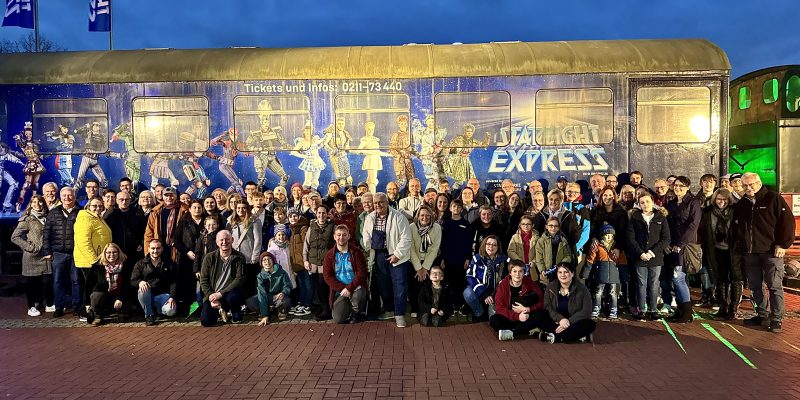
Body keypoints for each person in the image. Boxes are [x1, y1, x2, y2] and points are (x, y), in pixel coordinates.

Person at [732, 172, 795, 333]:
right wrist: (740, 246)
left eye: (751, 184)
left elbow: (788, 222)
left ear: (759, 183)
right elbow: (737, 227)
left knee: (774, 285)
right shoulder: (742, 204)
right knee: (755, 285)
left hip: (771, 251)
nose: (748, 188)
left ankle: (776, 318)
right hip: (750, 252)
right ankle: (762, 314)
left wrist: (782, 244)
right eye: (745, 185)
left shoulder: (773, 199)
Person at [361, 192, 413, 328]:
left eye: (381, 202)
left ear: (387, 202)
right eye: (375, 203)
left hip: (397, 256)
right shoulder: (370, 218)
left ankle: (399, 314)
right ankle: (390, 309)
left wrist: (397, 254)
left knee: (399, 286)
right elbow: (366, 235)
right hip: (379, 256)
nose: (378, 205)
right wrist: (368, 248)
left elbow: (406, 238)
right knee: (383, 286)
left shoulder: (399, 217)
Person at [700, 188, 743, 320]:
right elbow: (704, 232)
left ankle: (733, 308)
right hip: (716, 250)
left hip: (733, 251)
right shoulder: (708, 212)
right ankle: (722, 306)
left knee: (736, 278)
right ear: (715, 199)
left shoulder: (735, 212)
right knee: (720, 279)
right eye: (719, 199)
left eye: (725, 199)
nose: (722, 202)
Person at [627, 193, 670, 320]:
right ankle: (641, 309)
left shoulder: (661, 217)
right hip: (640, 257)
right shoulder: (634, 218)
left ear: (652, 202)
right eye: (642, 202)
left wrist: (652, 253)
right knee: (641, 283)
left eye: (647, 201)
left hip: (656, 257)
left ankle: (653, 309)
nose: (645, 204)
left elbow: (666, 238)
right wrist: (640, 253)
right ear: (639, 204)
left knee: (654, 283)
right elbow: (630, 238)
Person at [664, 176, 701, 322]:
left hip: (686, 246)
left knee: (678, 277)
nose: (678, 188)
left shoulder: (693, 203)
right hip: (672, 246)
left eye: (681, 186)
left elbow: (693, 225)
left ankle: (687, 312)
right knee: (679, 279)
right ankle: (681, 310)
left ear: (688, 187)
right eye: (676, 185)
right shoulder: (671, 203)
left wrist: (680, 244)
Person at [12, 195, 53, 316]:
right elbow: (15, 237)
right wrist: (30, 247)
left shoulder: (48, 217)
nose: (37, 204)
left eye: (39, 202)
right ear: (30, 204)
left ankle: (44, 303)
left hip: (46, 256)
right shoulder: (27, 219)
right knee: (32, 283)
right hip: (32, 257)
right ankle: (31, 307)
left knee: (46, 282)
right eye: (34, 202)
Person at [43, 187, 80, 318]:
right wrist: (47, 251)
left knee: (76, 281)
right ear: (61, 197)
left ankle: (77, 307)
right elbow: (46, 233)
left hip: (76, 253)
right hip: (58, 253)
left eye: (70, 195)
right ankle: (59, 307)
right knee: (58, 281)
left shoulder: (81, 212)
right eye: (64, 195)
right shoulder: (53, 212)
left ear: (74, 197)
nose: (67, 198)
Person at [73, 197, 113, 319]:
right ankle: (87, 313)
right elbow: (83, 242)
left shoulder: (97, 218)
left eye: (100, 206)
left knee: (95, 287)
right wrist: (94, 260)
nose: (97, 208)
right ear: (88, 206)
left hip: (99, 260)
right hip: (89, 262)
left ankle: (94, 311)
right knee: (91, 288)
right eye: (94, 206)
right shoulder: (85, 219)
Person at [537, 263, 596, 344]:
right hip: (556, 321)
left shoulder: (582, 289)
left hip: (574, 322)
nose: (563, 275)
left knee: (590, 324)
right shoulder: (551, 287)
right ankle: (577, 337)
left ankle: (555, 337)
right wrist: (560, 319)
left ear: (572, 274)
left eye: (566, 272)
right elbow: (547, 307)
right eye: (560, 272)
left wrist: (568, 321)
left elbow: (586, 310)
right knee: (541, 316)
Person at [323, 224, 369, 324]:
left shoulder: (356, 252)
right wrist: (343, 289)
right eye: (338, 235)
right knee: (338, 319)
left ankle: (355, 314)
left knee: (359, 297)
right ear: (334, 237)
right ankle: (347, 307)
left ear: (349, 236)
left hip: (355, 287)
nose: (341, 237)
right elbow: (327, 276)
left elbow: (362, 273)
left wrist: (349, 288)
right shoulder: (329, 255)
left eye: (344, 235)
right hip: (340, 290)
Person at [199, 230, 246, 326]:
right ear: (217, 242)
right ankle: (221, 310)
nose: (224, 242)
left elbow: (239, 279)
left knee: (235, 296)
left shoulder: (239, 257)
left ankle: (235, 311)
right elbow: (203, 281)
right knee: (206, 322)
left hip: (230, 294)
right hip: (213, 294)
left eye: (227, 239)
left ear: (232, 240)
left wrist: (220, 294)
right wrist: (211, 297)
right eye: (221, 240)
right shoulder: (209, 258)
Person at [492, 260, 545, 341]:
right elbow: (499, 308)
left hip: (526, 314)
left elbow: (542, 301)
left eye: (520, 271)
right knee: (494, 320)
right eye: (514, 271)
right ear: (510, 273)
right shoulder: (503, 285)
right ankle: (528, 329)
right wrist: (517, 317)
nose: (517, 274)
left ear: (524, 273)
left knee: (543, 313)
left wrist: (528, 309)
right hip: (511, 316)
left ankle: (513, 333)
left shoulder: (529, 282)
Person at [582, 225, 626, 319]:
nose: (609, 237)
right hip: (600, 273)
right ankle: (596, 308)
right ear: (602, 236)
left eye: (611, 235)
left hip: (614, 274)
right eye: (607, 235)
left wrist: (625, 276)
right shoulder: (597, 246)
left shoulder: (617, 248)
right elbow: (590, 260)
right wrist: (585, 273)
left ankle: (613, 310)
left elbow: (622, 262)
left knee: (613, 293)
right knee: (598, 292)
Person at [131, 239, 178, 326]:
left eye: (158, 248)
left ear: (162, 249)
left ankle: (158, 311)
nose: (155, 251)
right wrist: (140, 282)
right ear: (148, 249)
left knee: (170, 311)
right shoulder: (140, 264)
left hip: (163, 295)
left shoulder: (169, 263)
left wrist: (172, 297)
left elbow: (174, 281)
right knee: (142, 289)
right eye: (153, 248)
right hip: (147, 295)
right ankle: (149, 315)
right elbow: (133, 280)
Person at [463, 235, 509, 322]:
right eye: (488, 244)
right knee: (468, 293)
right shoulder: (477, 259)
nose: (491, 247)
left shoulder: (504, 260)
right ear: (484, 245)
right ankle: (479, 314)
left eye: (494, 245)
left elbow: (515, 268)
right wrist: (483, 293)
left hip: (496, 293)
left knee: (493, 321)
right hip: (481, 292)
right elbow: (470, 276)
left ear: (498, 247)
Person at [439, 199, 472, 314]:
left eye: (458, 207)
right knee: (449, 284)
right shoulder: (446, 224)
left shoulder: (466, 224)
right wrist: (443, 258)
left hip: (461, 260)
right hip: (448, 259)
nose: (456, 208)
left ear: (462, 209)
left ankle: (459, 305)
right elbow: (443, 243)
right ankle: (450, 307)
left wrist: (468, 258)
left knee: (460, 284)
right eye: (454, 206)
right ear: (450, 208)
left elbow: (469, 242)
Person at [304, 205, 335, 320]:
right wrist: (305, 260)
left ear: (327, 214)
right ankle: (323, 308)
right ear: (316, 214)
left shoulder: (332, 227)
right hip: (313, 262)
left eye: (323, 213)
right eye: (319, 213)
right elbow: (306, 244)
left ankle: (328, 310)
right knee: (317, 287)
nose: (321, 215)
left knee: (324, 286)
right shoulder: (311, 226)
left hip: (326, 262)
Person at [409, 205, 442, 317]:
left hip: (430, 260)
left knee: (428, 285)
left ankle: (427, 308)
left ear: (431, 216)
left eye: (428, 215)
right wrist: (418, 268)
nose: (425, 218)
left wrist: (425, 267)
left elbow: (434, 249)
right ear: (418, 216)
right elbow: (411, 248)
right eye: (422, 215)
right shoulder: (411, 227)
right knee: (414, 284)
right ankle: (414, 308)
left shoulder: (437, 228)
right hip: (414, 260)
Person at [85, 243, 127, 326]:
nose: (112, 255)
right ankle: (97, 316)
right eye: (109, 252)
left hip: (118, 297)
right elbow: (88, 286)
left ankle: (119, 312)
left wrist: (120, 298)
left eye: (114, 252)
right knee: (96, 295)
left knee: (126, 307)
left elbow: (127, 285)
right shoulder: (97, 267)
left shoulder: (125, 266)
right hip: (102, 297)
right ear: (104, 253)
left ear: (119, 253)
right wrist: (87, 303)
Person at [144, 187, 188, 263]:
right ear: (163, 196)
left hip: (178, 248)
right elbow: (149, 233)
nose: (169, 198)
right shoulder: (155, 211)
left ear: (176, 196)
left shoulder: (184, 210)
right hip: (160, 248)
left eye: (171, 195)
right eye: (166, 195)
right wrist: (148, 253)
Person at [248, 251, 292, 326]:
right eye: (264, 260)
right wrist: (265, 315)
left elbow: (287, 286)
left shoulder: (282, 273)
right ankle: (265, 312)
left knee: (286, 301)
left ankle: (279, 310)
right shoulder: (260, 276)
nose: (267, 262)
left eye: (269, 259)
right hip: (266, 297)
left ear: (273, 261)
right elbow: (262, 294)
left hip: (278, 297)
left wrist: (283, 292)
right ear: (261, 263)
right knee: (250, 302)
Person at [533, 217, 573, 283]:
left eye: (556, 226)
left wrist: (561, 264)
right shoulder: (541, 241)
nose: (553, 228)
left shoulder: (563, 240)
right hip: (547, 271)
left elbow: (568, 255)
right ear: (546, 226)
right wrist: (542, 270)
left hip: (560, 270)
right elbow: (539, 258)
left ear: (559, 227)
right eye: (551, 225)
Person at [287, 209, 311, 316]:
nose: (293, 218)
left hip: (304, 262)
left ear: (299, 216)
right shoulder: (291, 229)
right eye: (290, 216)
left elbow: (307, 244)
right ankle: (302, 302)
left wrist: (306, 259)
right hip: (297, 263)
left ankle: (307, 304)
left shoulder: (303, 228)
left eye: (295, 215)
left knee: (307, 284)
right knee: (301, 284)